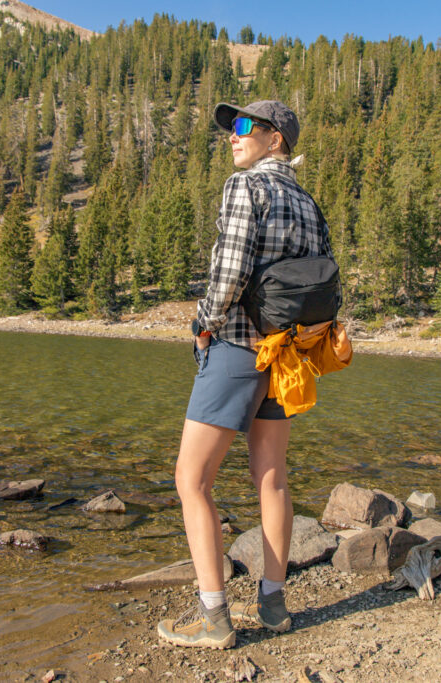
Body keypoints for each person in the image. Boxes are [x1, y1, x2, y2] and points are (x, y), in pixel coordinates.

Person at [157, 100, 335, 649]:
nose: (231, 137)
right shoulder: (309, 203)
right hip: (288, 355)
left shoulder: (246, 189)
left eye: (241, 127)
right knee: (272, 477)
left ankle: (214, 616)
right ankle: (274, 604)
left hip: (237, 346)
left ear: (274, 139)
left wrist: (202, 323)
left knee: (191, 480)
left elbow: (231, 270)